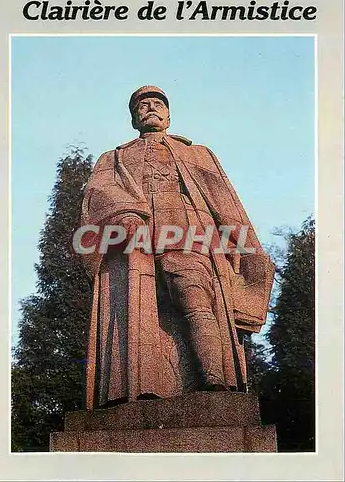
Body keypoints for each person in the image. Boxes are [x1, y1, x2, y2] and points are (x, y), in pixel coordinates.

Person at [80, 85, 274, 409]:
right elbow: (96, 196)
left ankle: (215, 383)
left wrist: (250, 253)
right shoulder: (113, 158)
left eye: (158, 104)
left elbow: (226, 206)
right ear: (134, 119)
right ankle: (139, 391)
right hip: (134, 250)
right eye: (143, 105)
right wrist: (124, 213)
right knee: (137, 319)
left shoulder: (197, 154)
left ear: (169, 115)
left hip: (186, 240)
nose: (151, 108)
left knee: (197, 303)